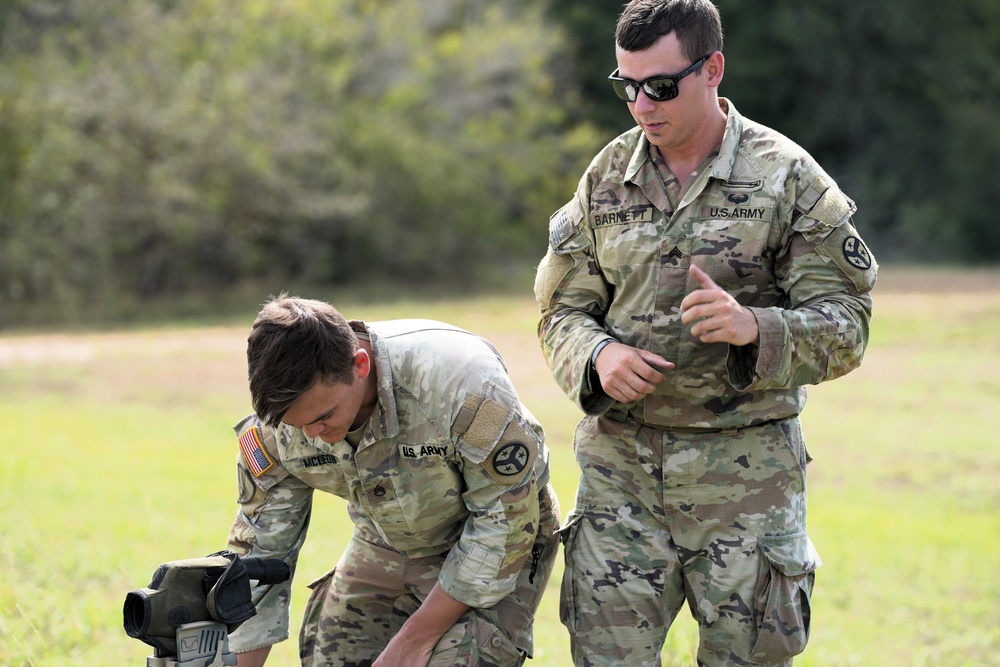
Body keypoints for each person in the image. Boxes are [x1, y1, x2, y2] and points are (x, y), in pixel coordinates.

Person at [533, 1, 877, 666]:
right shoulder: (606, 177)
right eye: (626, 85)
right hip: (622, 472)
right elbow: (560, 310)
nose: (642, 104)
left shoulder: (788, 178)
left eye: (660, 86)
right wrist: (597, 354)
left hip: (744, 475)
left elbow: (849, 325)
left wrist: (756, 328)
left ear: (713, 68)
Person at [224, 295, 560, 667]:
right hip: (383, 539)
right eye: (296, 424)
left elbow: (507, 520)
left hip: (496, 535)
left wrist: (415, 638)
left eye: (323, 416)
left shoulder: (461, 385)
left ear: (360, 365)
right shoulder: (274, 430)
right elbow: (262, 557)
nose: (312, 434)